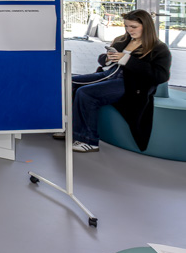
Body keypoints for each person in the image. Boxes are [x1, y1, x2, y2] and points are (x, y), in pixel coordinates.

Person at [59, 10, 171, 152]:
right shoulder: (122, 40)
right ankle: (71, 130)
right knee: (69, 83)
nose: (129, 30)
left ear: (146, 26)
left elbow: (161, 76)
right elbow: (102, 60)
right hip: (110, 74)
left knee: (86, 93)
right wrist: (107, 59)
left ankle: (88, 140)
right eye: (127, 26)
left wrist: (127, 60)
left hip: (133, 84)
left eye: (133, 27)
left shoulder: (159, 49)